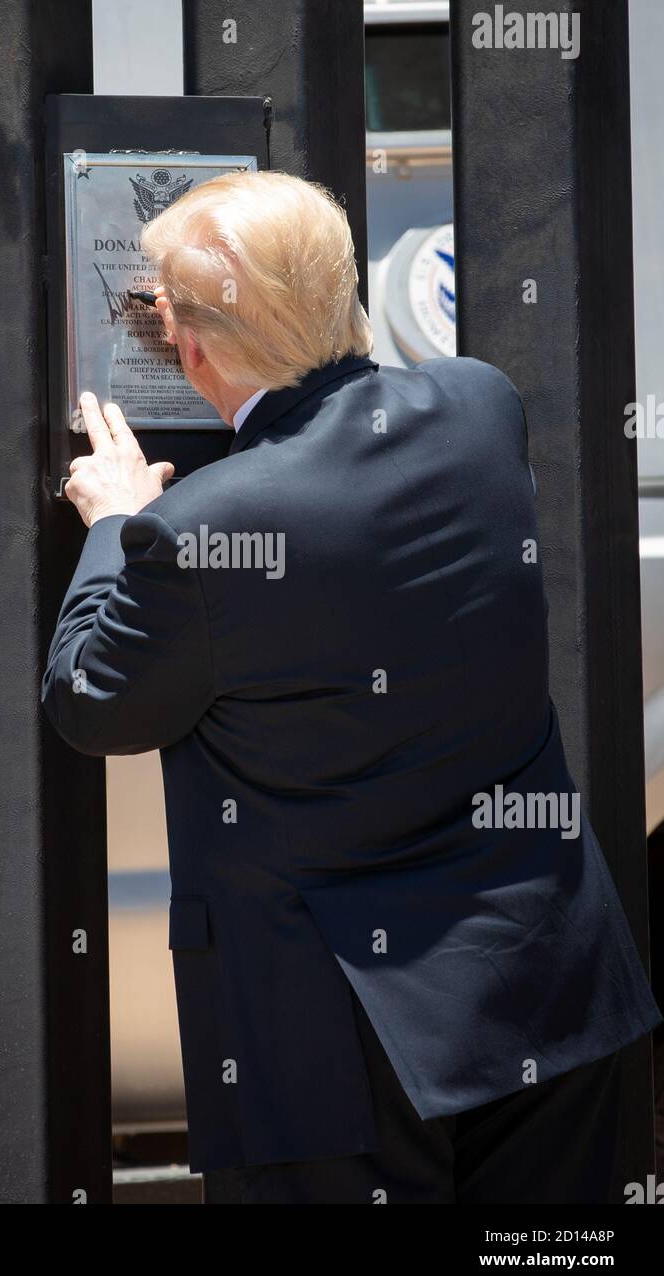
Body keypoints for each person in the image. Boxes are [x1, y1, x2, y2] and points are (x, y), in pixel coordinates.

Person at [42, 170, 661, 1203]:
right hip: (548, 994)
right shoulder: (477, 406)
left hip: (341, 1050)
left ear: (188, 348)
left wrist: (110, 522)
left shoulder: (186, 535)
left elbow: (90, 699)